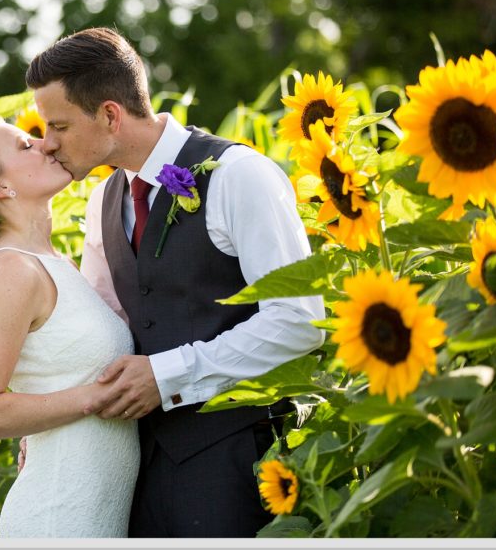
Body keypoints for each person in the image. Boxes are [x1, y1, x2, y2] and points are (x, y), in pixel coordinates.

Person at [25, 27, 326, 538]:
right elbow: (105, 333)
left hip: (241, 461)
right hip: (135, 470)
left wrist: (170, 375)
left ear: (110, 115)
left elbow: (300, 321)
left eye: (58, 126)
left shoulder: (239, 175)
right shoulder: (102, 204)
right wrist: (52, 421)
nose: (47, 144)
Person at [0, 115, 140, 538]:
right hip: (58, 517)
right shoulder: (13, 270)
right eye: (24, 146)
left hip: (96, 510)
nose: (45, 144)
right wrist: (92, 398)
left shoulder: (57, 264)